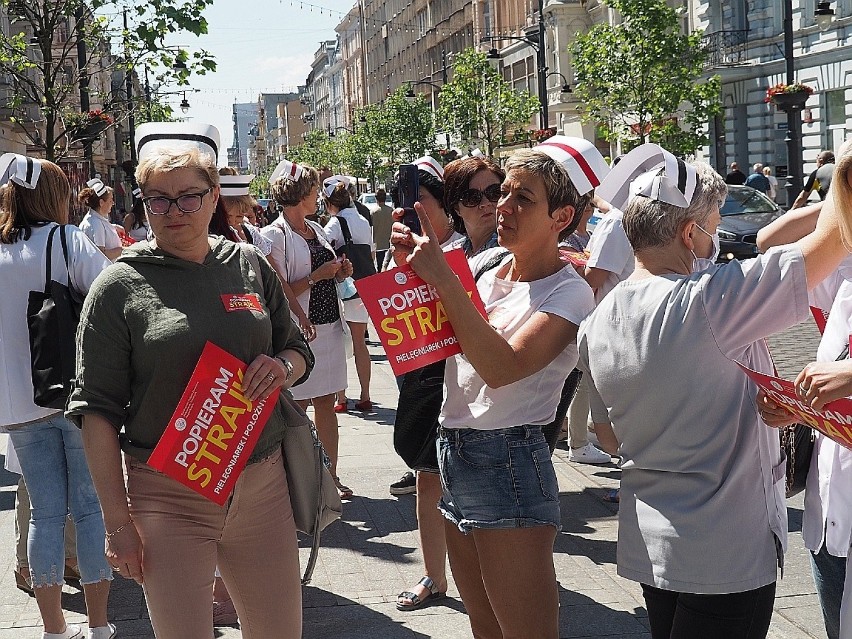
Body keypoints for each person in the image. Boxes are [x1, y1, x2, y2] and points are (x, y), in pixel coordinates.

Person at [578, 143, 852, 639]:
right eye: (715, 221)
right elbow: (832, 242)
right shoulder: (710, 300)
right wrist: (844, 176)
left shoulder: (596, 320)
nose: (719, 236)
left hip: (652, 541)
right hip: (724, 550)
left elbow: (608, 438)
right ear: (689, 233)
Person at [65, 123, 314, 639]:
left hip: (260, 483)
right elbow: (96, 411)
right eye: (158, 200)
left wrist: (283, 367)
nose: (173, 212)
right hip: (168, 495)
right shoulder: (118, 286)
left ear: (213, 195)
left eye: (188, 198)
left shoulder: (247, 263)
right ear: (142, 202)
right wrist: (117, 522)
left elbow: (297, 349)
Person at [391, 136, 606, 638]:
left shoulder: (569, 292)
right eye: (503, 192)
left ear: (562, 217)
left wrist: (441, 280)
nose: (502, 207)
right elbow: (438, 342)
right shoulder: (488, 270)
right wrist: (409, 282)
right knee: (484, 628)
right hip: (456, 450)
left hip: (509, 460)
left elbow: (501, 367)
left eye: (522, 198)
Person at [0, 153, 115, 639]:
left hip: (17, 403)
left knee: (45, 513)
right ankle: (99, 624)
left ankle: (53, 628)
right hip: (72, 394)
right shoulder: (67, 242)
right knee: (89, 508)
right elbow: (110, 296)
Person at [394, 155, 504, 613]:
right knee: (427, 475)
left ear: (442, 206)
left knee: (473, 481)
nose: (409, 210)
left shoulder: (475, 251)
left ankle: (485, 571)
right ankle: (435, 576)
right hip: (428, 377)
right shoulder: (408, 247)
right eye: (474, 197)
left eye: (419, 201)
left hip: (474, 383)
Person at [259, 158, 355, 500]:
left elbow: (325, 270)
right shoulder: (274, 236)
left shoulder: (316, 229)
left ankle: (330, 476)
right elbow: (280, 287)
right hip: (302, 331)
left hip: (327, 326)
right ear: (301, 194)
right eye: (314, 189)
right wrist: (318, 276)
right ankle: (300, 480)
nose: (318, 195)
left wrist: (340, 271)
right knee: (297, 407)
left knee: (326, 404)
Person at [323, 175, 375, 413]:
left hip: (345, 286)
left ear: (329, 202)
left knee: (338, 342)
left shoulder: (335, 223)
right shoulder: (363, 220)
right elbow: (372, 252)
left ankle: (341, 397)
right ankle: (365, 395)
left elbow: (323, 251)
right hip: (366, 285)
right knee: (360, 342)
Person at [78, 177, 121, 261]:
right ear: (101, 202)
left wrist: (114, 227)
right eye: (110, 200)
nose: (112, 203)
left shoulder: (94, 219)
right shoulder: (96, 223)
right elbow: (100, 254)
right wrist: (122, 250)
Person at [371, 188, 393, 268]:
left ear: (376, 198)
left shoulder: (373, 212)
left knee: (380, 267)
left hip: (378, 244)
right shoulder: (391, 211)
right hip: (389, 244)